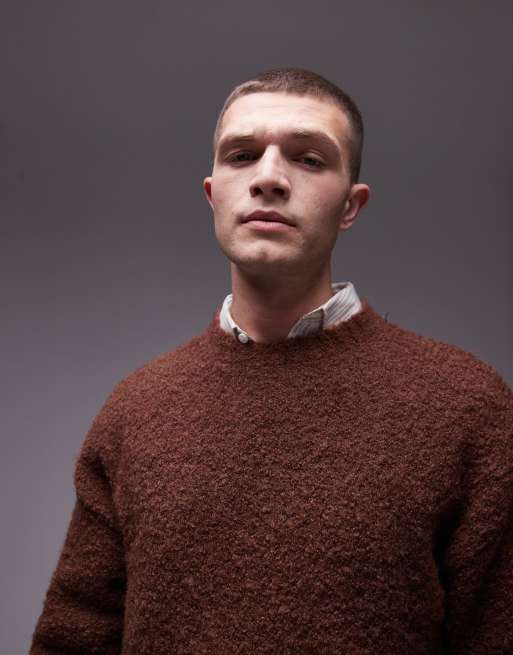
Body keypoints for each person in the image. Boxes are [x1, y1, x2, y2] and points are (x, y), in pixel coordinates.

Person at [29, 68, 512, 654]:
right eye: (242, 155)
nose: (268, 179)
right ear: (213, 194)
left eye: (309, 158)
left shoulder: (466, 407)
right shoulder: (135, 412)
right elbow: (72, 640)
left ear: (351, 205)